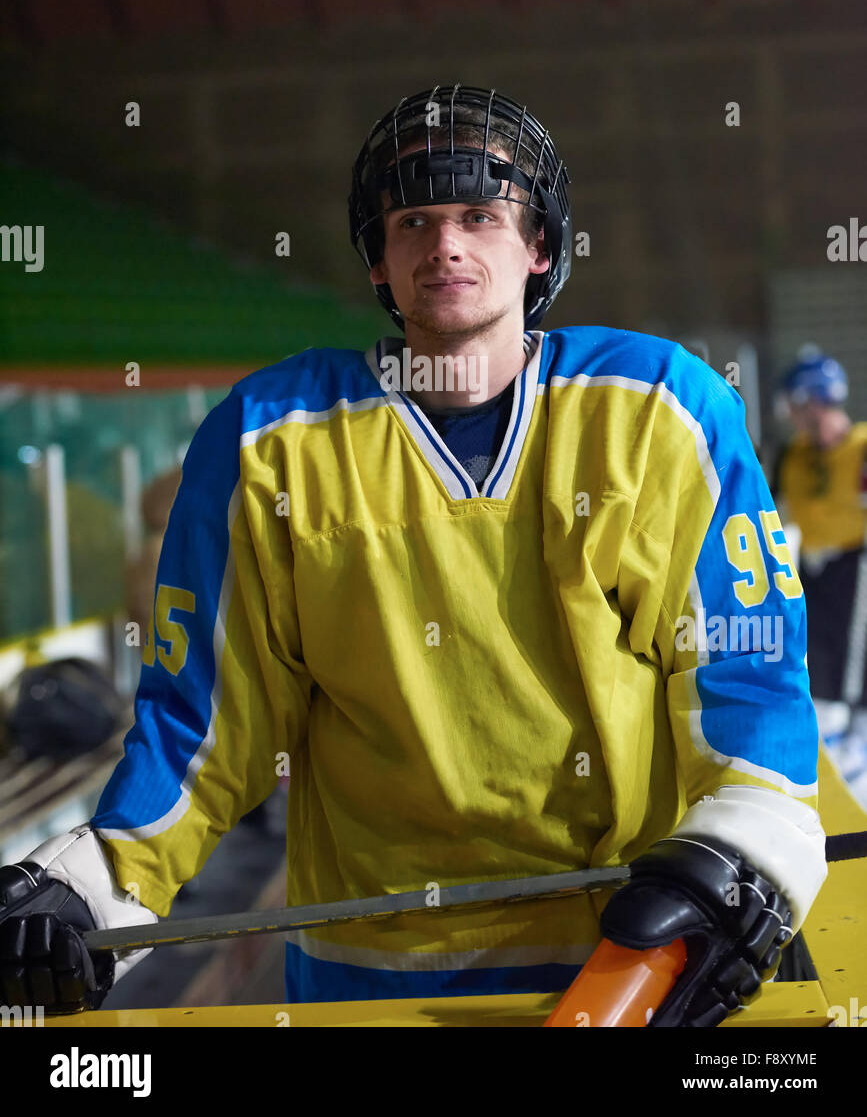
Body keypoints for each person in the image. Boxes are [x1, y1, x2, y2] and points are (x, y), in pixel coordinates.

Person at [0, 85, 826, 1027]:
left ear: (540, 247)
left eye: (480, 216)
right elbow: (204, 722)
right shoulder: (267, 438)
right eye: (414, 221)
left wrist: (746, 847)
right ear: (379, 265)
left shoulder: (662, 412)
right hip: (369, 981)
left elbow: (747, 672)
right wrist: (98, 877)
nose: (445, 245)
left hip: (623, 960)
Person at [774, 349, 867, 806]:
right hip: (814, 566)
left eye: (796, 404)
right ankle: (840, 745)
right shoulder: (794, 455)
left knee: (849, 665)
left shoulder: (861, 446)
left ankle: (857, 749)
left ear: (812, 402)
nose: (792, 415)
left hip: (857, 562)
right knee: (820, 660)